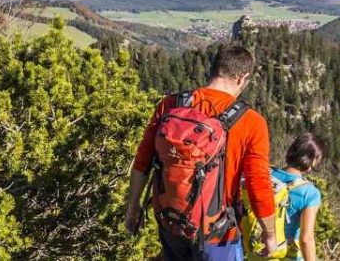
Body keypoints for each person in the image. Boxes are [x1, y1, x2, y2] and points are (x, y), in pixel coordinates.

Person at [124, 44, 277, 261]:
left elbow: (143, 161)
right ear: (242, 79)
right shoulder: (251, 121)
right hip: (217, 233)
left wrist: (133, 206)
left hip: (171, 222)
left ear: (213, 69)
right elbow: (258, 182)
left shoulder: (170, 104)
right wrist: (269, 233)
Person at [272, 133, 325, 261]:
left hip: (259, 251)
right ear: (313, 161)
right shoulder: (310, 193)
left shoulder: (267, 175)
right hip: (288, 255)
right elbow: (306, 240)